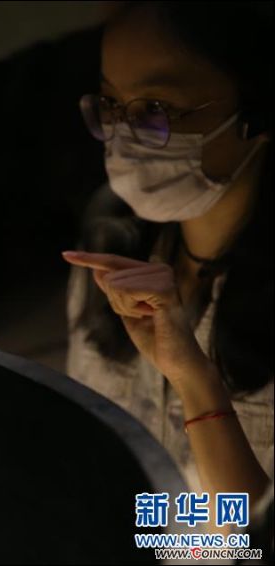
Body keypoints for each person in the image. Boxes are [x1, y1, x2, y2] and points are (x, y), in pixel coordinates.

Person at [62, 1, 273, 509]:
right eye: (110, 104)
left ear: (257, 109)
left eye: (156, 108)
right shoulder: (110, 250)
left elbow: (248, 542)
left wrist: (195, 383)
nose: (124, 135)